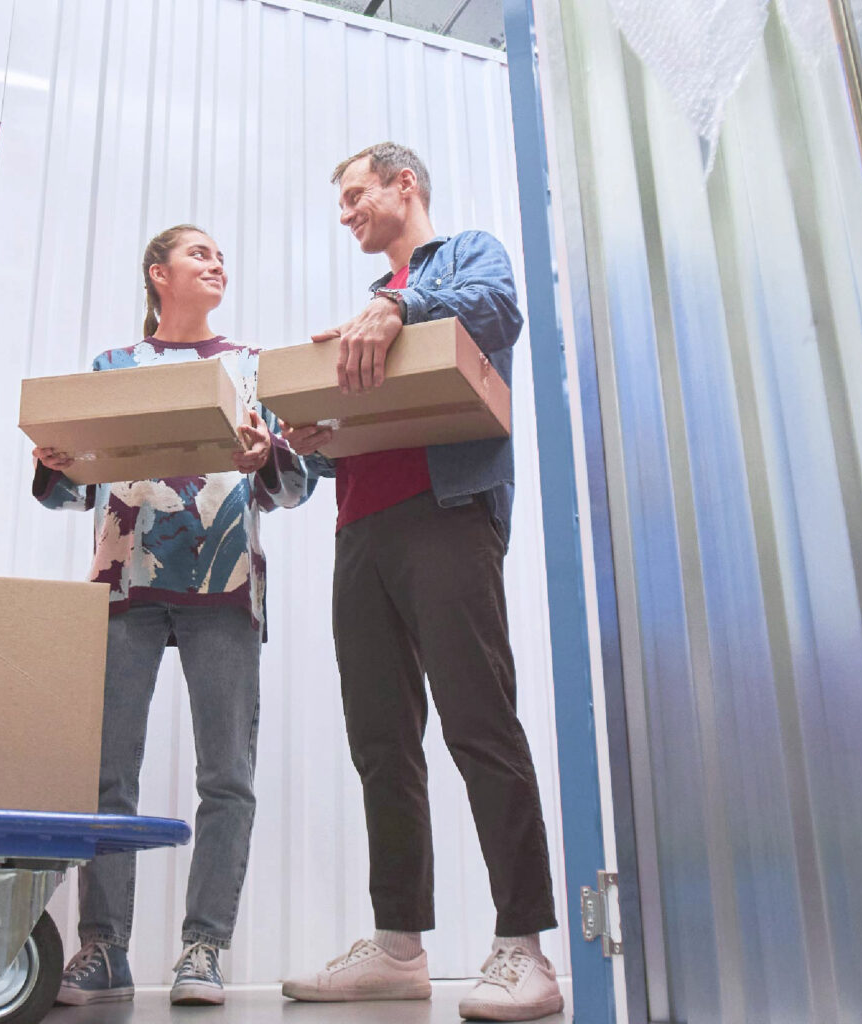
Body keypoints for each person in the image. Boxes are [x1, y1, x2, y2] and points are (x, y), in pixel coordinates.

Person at [277, 143, 562, 1022]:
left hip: (446, 516)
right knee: (380, 742)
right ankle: (399, 946)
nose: (347, 212)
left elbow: (499, 312)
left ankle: (525, 950)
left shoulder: (464, 255)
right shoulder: (369, 312)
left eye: (357, 194)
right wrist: (303, 444)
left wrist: (396, 303)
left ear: (407, 187)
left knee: (479, 723)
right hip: (359, 527)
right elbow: (355, 434)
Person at [32, 224, 315, 1007]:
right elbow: (71, 491)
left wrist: (270, 461)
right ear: (158, 274)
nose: (217, 262)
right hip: (126, 584)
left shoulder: (254, 368)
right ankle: (102, 949)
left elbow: (294, 490)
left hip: (224, 586)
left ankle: (204, 949)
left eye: (222, 255)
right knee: (105, 775)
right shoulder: (113, 368)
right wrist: (55, 461)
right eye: (199, 253)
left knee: (227, 777)